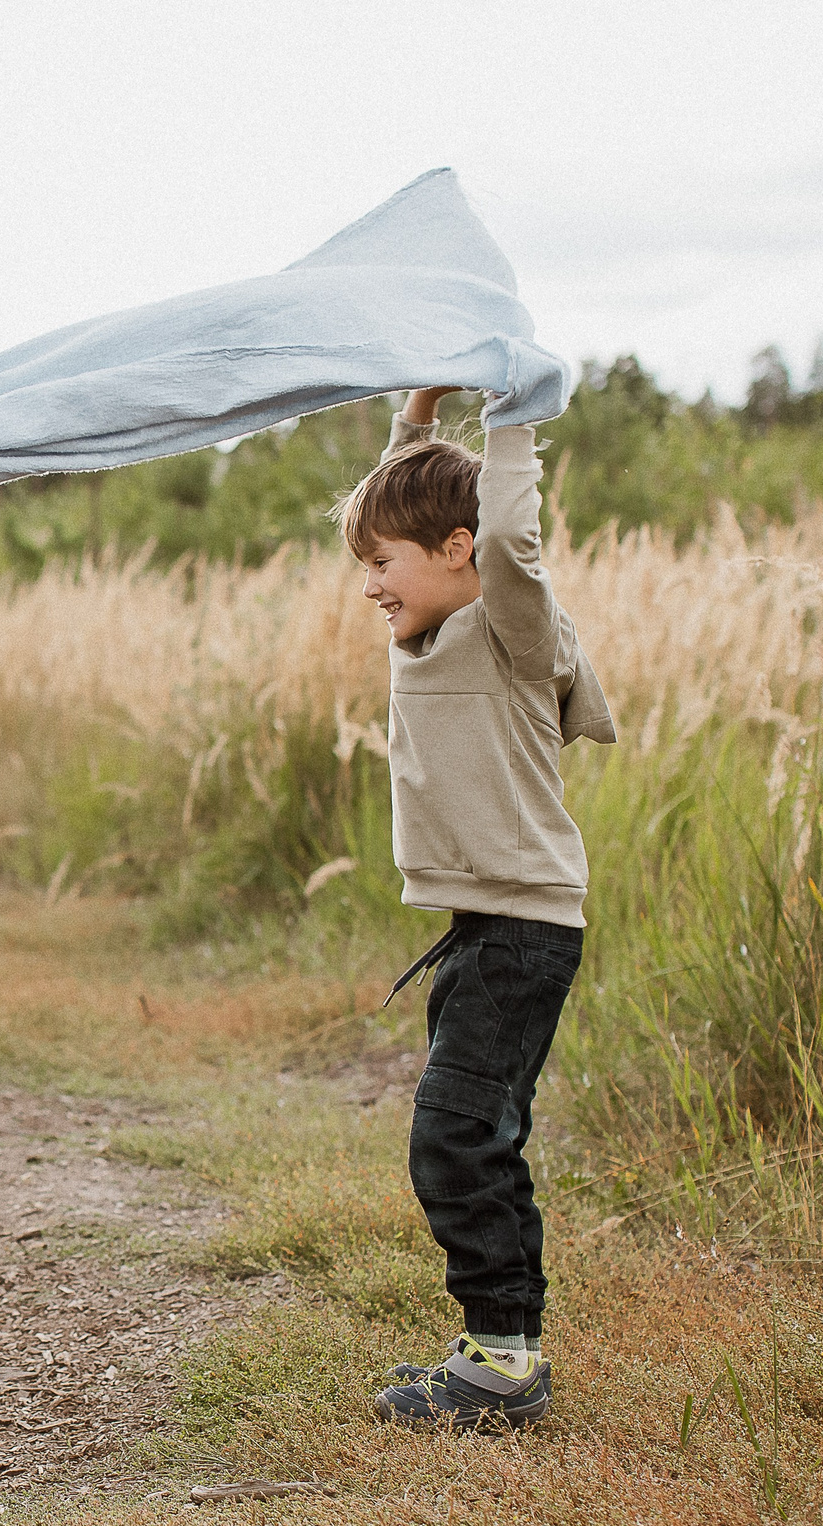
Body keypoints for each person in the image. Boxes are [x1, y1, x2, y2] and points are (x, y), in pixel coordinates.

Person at [335, 387, 616, 1431]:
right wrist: (413, 426)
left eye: (383, 565)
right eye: (367, 563)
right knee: (471, 1135)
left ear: (460, 551)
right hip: (482, 930)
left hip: (522, 932)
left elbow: (506, 530)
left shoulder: (508, 626)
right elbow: (408, 519)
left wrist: (512, 414)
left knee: (455, 1138)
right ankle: (499, 1347)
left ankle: (504, 1361)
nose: (370, 586)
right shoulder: (425, 634)